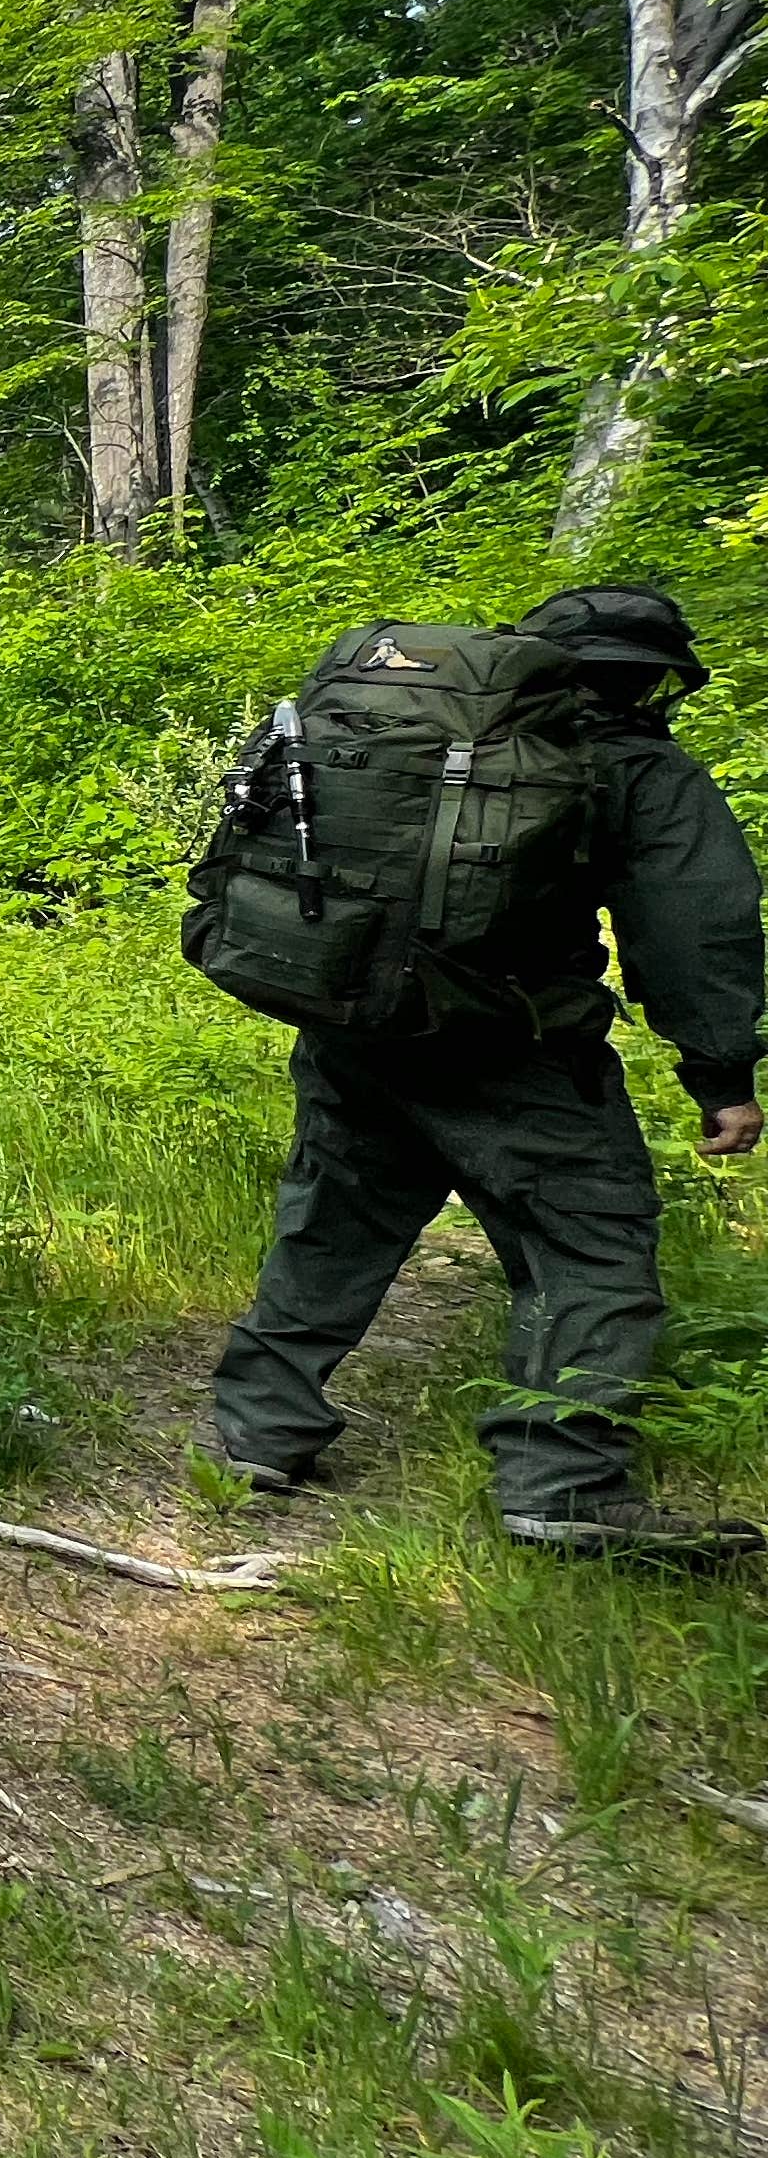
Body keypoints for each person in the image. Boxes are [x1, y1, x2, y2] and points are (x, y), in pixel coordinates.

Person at [201, 585, 766, 1559]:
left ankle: (257, 1433)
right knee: (590, 1248)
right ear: (653, 683)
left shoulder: (427, 733)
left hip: (358, 1025)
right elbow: (692, 926)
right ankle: (566, 1481)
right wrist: (720, 1072)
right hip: (515, 1051)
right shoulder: (635, 765)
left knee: (332, 1221)